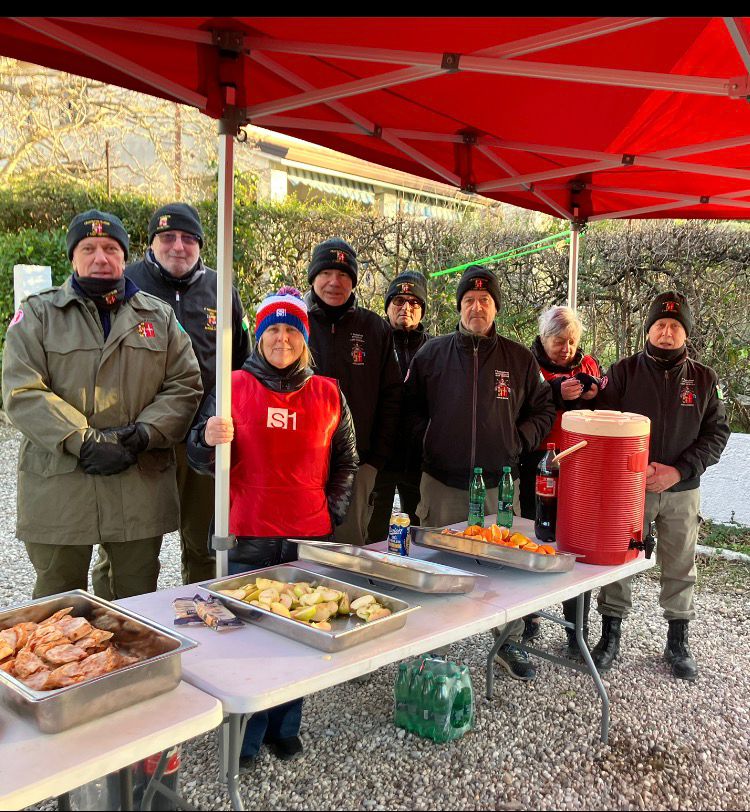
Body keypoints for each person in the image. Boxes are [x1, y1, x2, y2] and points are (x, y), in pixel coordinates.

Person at [187, 286, 358, 763]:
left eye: (291, 330)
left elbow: (347, 460)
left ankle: (286, 724)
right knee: (246, 640)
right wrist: (205, 438)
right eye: (273, 329)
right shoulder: (231, 385)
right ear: (260, 336)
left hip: (307, 536)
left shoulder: (328, 393)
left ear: (305, 339)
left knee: (301, 635)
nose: (282, 339)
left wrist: (332, 510)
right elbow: (197, 458)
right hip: (247, 533)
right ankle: (245, 734)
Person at [2, 209, 202, 600]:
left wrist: (144, 434)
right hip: (61, 480)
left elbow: (185, 384)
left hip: (136, 478)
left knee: (135, 598)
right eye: (89, 248)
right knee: (58, 601)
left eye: (110, 249)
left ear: (125, 256)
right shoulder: (38, 313)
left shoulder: (159, 316)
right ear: (72, 257)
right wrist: (83, 440)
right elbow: (22, 390)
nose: (100, 258)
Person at [404, 265, 556, 680]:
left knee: (505, 566)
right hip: (443, 483)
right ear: (459, 307)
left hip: (498, 485)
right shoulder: (431, 354)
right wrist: (428, 438)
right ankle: (433, 647)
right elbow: (408, 407)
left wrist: (518, 440)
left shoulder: (518, 359)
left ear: (496, 308)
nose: (476, 307)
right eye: (469, 300)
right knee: (436, 563)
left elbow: (544, 408)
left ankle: (508, 641)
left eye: (484, 300)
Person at [592, 291, 730, 680]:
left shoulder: (704, 379)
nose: (666, 332)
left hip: (681, 491)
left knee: (681, 565)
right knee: (619, 560)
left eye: (674, 326)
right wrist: (632, 471)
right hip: (630, 490)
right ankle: (610, 635)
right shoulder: (623, 372)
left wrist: (679, 470)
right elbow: (605, 425)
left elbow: (717, 434)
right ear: (648, 330)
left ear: (686, 333)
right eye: (660, 325)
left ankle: (677, 642)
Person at [125, 202, 250, 584]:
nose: (178, 246)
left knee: (202, 544)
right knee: (131, 547)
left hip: (203, 438)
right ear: (151, 242)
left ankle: (201, 609)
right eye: (167, 237)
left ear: (200, 245)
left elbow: (242, 362)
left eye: (188, 238)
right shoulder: (127, 284)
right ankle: (126, 611)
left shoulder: (221, 288)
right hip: (141, 438)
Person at [304, 238, 402, 546]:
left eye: (344, 275)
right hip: (300, 463)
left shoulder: (375, 328)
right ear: (313, 277)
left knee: (348, 547)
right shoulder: (294, 323)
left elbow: (392, 395)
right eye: (326, 273)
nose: (334, 282)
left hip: (357, 466)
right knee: (301, 548)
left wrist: (376, 459)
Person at [518, 306, 602, 653]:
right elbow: (520, 406)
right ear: (543, 338)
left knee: (577, 542)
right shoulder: (528, 364)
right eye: (558, 341)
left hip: (579, 463)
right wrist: (554, 390)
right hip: (537, 461)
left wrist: (595, 394)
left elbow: (604, 409)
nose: (566, 348)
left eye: (571, 341)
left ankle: (576, 627)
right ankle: (528, 617)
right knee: (532, 535)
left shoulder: (589, 365)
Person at [368, 271, 431, 542]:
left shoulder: (433, 349)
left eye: (414, 302)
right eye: (399, 301)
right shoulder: (373, 341)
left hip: (418, 457)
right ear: (388, 307)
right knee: (373, 530)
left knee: (418, 532)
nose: (406, 307)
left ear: (422, 310)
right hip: (379, 453)